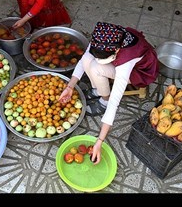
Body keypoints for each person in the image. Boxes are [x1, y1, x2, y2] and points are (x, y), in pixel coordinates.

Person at [58, 21, 159, 164]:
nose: (99, 59)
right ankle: (98, 89)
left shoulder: (126, 61)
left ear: (116, 50)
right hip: (119, 57)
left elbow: (114, 104)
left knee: (95, 68)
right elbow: (83, 61)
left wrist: (99, 141)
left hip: (139, 71)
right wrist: (70, 87)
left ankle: (103, 99)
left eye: (103, 57)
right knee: (88, 59)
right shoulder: (102, 37)